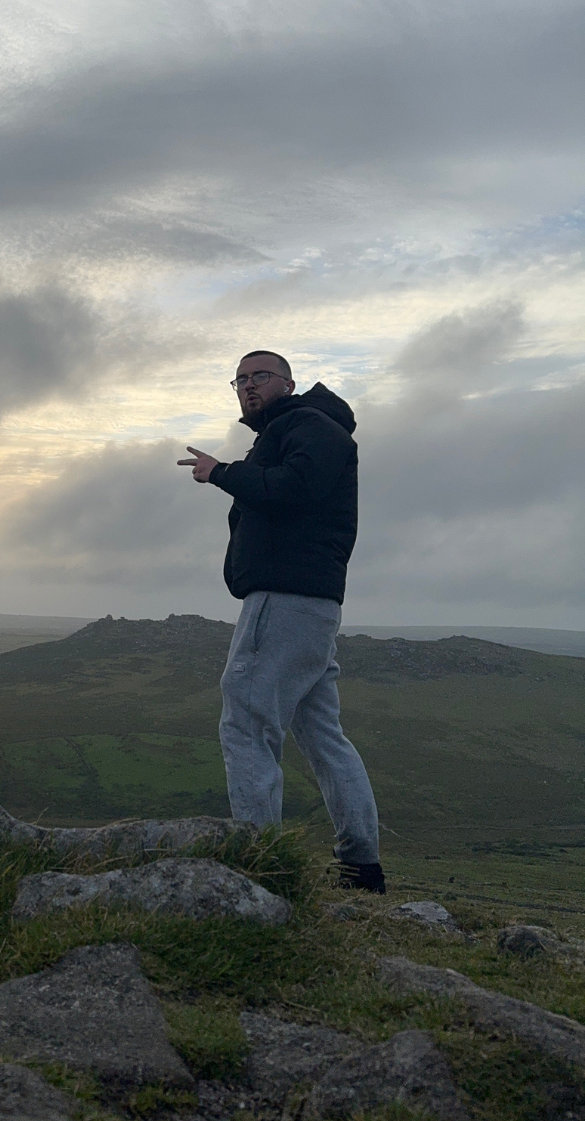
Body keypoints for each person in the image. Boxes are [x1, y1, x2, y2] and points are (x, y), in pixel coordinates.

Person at [178, 350, 383, 893]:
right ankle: (361, 868)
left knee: (245, 722)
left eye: (259, 376)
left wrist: (222, 473)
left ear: (289, 382)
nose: (248, 386)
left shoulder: (309, 426)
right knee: (322, 735)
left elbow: (292, 490)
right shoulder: (306, 428)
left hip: (285, 599)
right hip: (311, 603)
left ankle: (259, 866)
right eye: (240, 379)